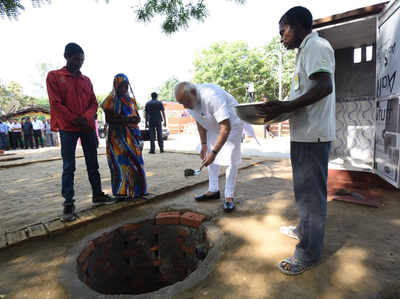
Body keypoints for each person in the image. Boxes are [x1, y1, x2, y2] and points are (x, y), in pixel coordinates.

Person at [256, 6, 335, 275]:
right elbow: (303, 100)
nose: (281, 39)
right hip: (305, 135)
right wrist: (278, 109)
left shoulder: (316, 45)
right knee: (305, 193)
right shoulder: (306, 52)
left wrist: (286, 105)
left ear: (298, 25)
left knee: (311, 198)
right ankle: (304, 230)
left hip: (312, 136)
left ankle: (307, 254)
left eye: (283, 32)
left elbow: (325, 86)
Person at [46, 42, 114, 222]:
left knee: (93, 163)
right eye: (76, 59)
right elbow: (55, 103)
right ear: (66, 57)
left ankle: (98, 194)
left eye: (82, 60)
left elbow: (94, 103)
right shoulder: (54, 76)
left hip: (87, 127)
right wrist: (74, 118)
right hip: (68, 128)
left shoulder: (87, 80)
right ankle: (68, 203)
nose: (79, 63)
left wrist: (87, 117)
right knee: (69, 166)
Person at [175, 81, 254, 213]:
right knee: (209, 155)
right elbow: (199, 121)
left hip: (232, 123)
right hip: (212, 123)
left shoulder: (211, 96)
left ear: (193, 93)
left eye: (185, 102)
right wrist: (204, 144)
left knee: (231, 160)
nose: (185, 106)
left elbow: (225, 127)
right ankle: (213, 190)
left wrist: (214, 153)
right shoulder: (190, 102)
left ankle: (229, 196)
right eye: (181, 103)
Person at [102, 73, 147, 200]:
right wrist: (126, 120)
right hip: (117, 138)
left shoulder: (131, 101)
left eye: (126, 85)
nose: (124, 88)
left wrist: (134, 119)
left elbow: (138, 117)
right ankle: (121, 192)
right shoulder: (109, 101)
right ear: (116, 85)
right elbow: (109, 120)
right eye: (121, 86)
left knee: (136, 162)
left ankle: (137, 191)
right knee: (120, 163)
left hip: (133, 137)